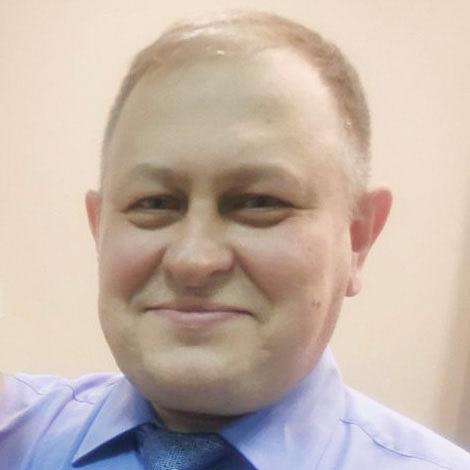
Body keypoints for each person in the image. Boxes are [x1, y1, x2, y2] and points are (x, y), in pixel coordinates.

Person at [1, 10, 469, 470]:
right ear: (99, 228)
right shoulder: (16, 437)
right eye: (155, 202)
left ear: (358, 236)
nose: (193, 260)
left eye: (259, 202)